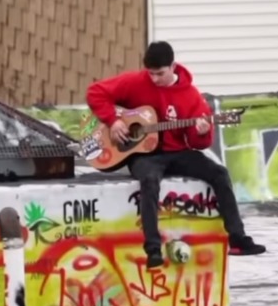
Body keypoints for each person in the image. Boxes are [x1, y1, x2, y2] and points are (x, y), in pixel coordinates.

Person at [86, 41, 266, 269]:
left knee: (219, 173)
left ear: (172, 67)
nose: (154, 79)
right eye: (150, 73)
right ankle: (153, 250)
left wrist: (202, 131)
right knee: (149, 180)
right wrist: (113, 121)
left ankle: (238, 239)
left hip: (178, 152)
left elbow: (200, 143)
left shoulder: (191, 95)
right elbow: (96, 92)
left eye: (159, 74)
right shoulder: (135, 81)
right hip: (143, 155)